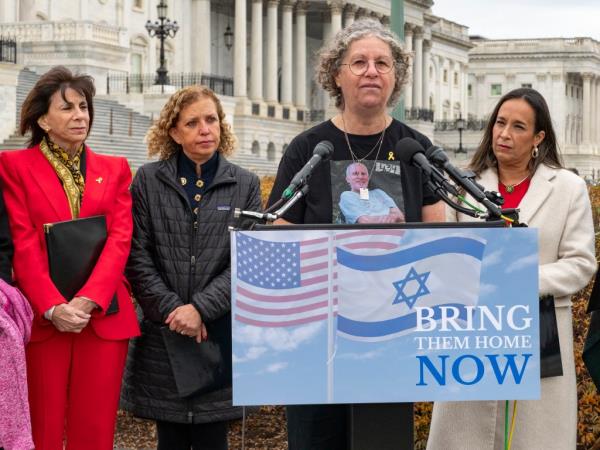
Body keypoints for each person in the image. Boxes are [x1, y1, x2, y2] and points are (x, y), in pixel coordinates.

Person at [267, 18, 445, 450]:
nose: (372, 71)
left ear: (396, 77)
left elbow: (439, 234)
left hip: (391, 331)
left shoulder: (415, 149)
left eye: (383, 63)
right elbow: (278, 235)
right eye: (359, 62)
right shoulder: (307, 148)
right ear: (336, 75)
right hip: (317, 332)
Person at [426, 88, 596, 450]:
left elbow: (581, 264)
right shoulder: (463, 186)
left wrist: (520, 281)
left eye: (518, 127)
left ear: (538, 138)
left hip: (540, 333)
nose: (504, 133)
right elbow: (446, 255)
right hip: (472, 336)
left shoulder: (568, 188)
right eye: (500, 123)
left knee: (533, 438)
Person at [0, 66, 140, 450]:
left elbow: (120, 239)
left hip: (101, 315)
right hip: (44, 321)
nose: (80, 115)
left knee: (94, 433)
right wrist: (52, 307)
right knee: (40, 431)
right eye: (67, 108)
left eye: (83, 106)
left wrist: (87, 299)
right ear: (43, 119)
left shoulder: (115, 168)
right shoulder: (13, 167)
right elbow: (23, 244)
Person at [121, 85, 261, 450]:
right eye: (193, 122)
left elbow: (248, 259)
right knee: (170, 438)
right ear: (174, 131)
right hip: (163, 336)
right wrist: (173, 311)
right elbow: (137, 255)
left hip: (218, 332)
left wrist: (200, 309)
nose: (205, 129)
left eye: (212, 119)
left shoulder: (244, 184)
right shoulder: (149, 180)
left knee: (214, 436)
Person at [339, 161, 405, 223]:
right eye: (355, 174)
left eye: (363, 174)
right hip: (365, 234)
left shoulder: (379, 193)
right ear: (347, 179)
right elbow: (364, 221)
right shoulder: (347, 195)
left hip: (394, 233)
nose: (360, 177)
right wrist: (389, 218)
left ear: (368, 178)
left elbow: (400, 216)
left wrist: (394, 216)